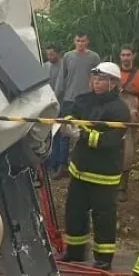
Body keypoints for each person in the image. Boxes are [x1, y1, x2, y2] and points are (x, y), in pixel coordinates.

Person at [61, 62, 130, 270]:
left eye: (101, 80)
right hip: (80, 169)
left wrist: (82, 134)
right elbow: (71, 113)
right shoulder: (84, 99)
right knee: (74, 212)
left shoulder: (119, 110)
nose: (97, 83)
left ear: (114, 83)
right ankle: (74, 252)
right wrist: (69, 123)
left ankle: (103, 258)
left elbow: (111, 139)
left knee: (104, 216)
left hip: (103, 173)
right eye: (95, 79)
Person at [51, 32, 101, 179]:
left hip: (87, 99)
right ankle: (62, 165)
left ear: (87, 42)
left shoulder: (94, 58)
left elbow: (97, 77)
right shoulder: (68, 57)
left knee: (86, 130)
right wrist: (56, 96)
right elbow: (62, 78)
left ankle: (85, 164)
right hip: (69, 99)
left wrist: (96, 95)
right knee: (65, 131)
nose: (80, 43)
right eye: (78, 41)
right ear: (74, 41)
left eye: (83, 41)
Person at [117, 44, 139, 201]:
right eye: (123, 55)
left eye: (128, 55)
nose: (125, 58)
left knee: (127, 151)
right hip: (113, 115)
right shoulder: (113, 73)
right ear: (119, 57)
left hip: (130, 118)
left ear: (133, 56)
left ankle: (123, 186)